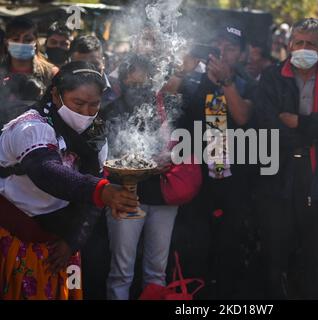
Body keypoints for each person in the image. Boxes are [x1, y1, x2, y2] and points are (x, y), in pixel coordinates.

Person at [0, 61, 139, 300]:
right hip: (14, 235)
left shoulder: (95, 133)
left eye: (94, 105)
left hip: (60, 243)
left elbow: (92, 196)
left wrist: (72, 241)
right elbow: (47, 172)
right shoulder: (31, 126)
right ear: (56, 95)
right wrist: (102, 191)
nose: (86, 112)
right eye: (78, 103)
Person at [255, 18, 318, 299]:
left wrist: (299, 123)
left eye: (311, 43)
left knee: (314, 262)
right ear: (289, 45)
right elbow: (265, 126)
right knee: (274, 261)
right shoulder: (271, 78)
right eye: (299, 42)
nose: (304, 48)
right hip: (278, 181)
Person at [173, 24, 257, 299]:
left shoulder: (248, 82)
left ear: (243, 54)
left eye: (230, 48)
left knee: (229, 248)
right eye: (216, 47)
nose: (222, 53)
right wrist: (183, 69)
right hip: (195, 179)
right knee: (194, 247)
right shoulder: (193, 80)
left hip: (235, 181)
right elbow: (164, 104)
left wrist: (226, 82)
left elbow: (243, 116)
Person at [101, 53, 182, 300]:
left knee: (157, 272)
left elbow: (185, 145)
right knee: (121, 272)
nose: (139, 90)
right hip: (124, 196)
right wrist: (129, 162)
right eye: (133, 84)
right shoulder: (110, 110)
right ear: (123, 79)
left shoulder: (168, 107)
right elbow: (102, 156)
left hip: (163, 196)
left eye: (144, 84)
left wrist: (169, 158)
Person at [0, 17, 58, 87]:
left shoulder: (50, 74)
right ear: (6, 42)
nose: (21, 43)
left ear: (35, 42)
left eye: (28, 40)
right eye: (15, 39)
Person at [69, 35, 117, 106]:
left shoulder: (119, 89)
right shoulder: (62, 93)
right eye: (81, 65)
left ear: (103, 63)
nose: (89, 71)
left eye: (94, 64)